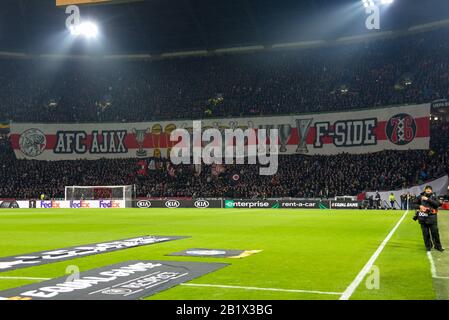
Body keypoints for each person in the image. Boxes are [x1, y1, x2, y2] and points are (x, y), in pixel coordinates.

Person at [413, 186, 444, 252]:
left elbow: (437, 204)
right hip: (422, 218)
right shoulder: (420, 196)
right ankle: (428, 246)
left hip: (432, 218)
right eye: (427, 189)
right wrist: (419, 206)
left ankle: (438, 246)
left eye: (429, 189)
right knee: (425, 234)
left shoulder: (434, 196)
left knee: (435, 233)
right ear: (425, 190)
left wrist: (427, 199)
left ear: (431, 191)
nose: (428, 190)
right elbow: (413, 204)